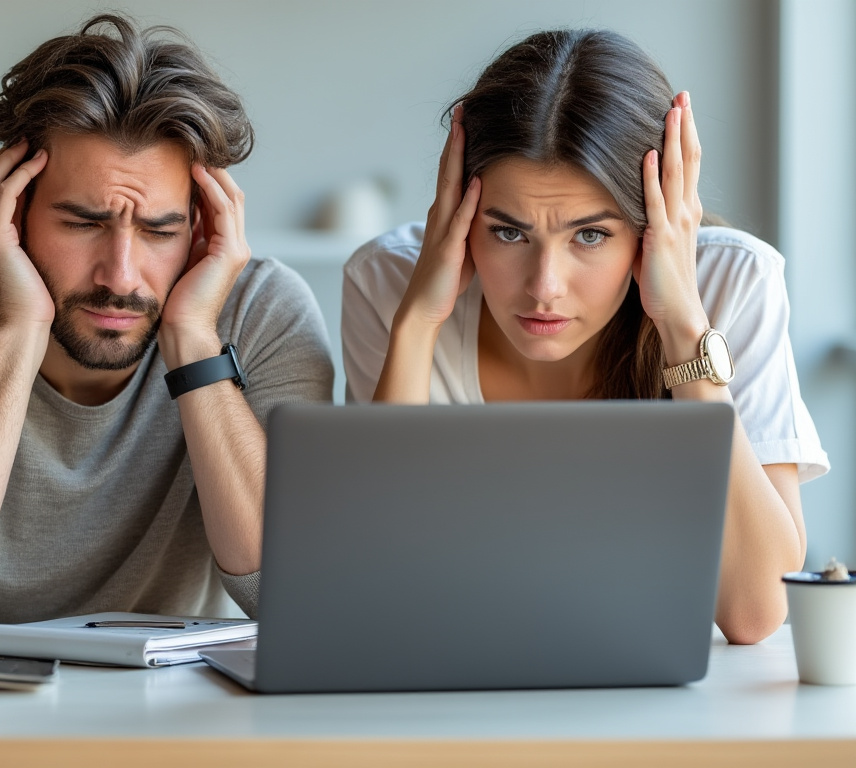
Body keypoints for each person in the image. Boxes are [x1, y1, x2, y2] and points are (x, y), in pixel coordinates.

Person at [0, 13, 333, 647]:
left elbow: (295, 595)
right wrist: (18, 330)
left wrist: (194, 341)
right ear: (12, 210)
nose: (120, 275)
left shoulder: (262, 311)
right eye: (82, 222)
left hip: (173, 722)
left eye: (159, 230)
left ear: (203, 227)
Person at [342, 29, 828, 645]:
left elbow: (755, 612)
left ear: (652, 226)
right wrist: (416, 327)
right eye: (509, 233)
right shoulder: (387, 284)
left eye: (590, 235)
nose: (544, 287)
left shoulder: (733, 282)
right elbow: (377, 588)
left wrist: (681, 323)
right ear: (460, 217)